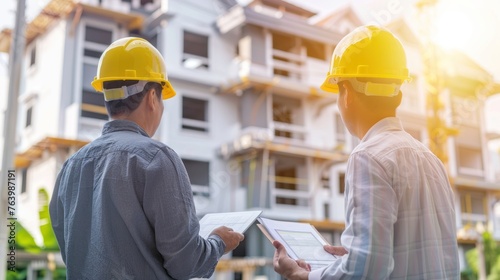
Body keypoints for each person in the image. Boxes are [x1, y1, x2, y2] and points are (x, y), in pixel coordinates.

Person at [272, 25, 459, 279]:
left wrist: (302, 276)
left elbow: (366, 270)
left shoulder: (368, 157)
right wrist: (356, 255)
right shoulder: (432, 161)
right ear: (399, 94)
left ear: (346, 93)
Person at [49, 37, 244, 279]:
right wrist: (218, 242)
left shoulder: (71, 166)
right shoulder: (156, 158)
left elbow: (72, 251)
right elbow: (186, 263)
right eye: (162, 99)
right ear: (152, 97)